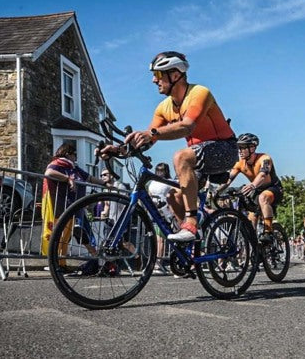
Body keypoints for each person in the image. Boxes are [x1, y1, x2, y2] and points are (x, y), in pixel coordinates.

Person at [100, 51, 238, 242]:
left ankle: (191, 224)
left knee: (181, 156)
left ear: (175, 75)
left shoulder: (199, 93)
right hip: (197, 158)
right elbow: (149, 138)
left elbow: (187, 126)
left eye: (157, 75)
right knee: (173, 196)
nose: (153, 81)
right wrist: (119, 150)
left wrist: (152, 134)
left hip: (225, 149)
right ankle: (192, 241)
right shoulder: (163, 107)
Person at [41, 143, 105, 268]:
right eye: (75, 154)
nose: (76, 157)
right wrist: (67, 179)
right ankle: (54, 262)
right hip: (61, 207)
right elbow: (49, 172)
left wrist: (105, 183)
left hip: (74, 207)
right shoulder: (58, 163)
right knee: (58, 234)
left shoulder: (74, 168)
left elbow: (89, 178)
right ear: (68, 154)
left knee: (68, 236)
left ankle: (62, 263)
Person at [217, 133, 283, 242]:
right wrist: (216, 191)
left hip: (274, 188)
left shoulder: (265, 158)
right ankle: (253, 244)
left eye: (243, 148)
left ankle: (268, 232)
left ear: (252, 148)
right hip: (257, 190)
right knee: (251, 216)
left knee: (263, 198)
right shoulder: (240, 163)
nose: (240, 151)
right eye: (239, 148)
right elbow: (228, 180)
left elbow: (263, 174)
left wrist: (252, 185)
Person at [148, 162, 175, 275]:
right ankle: (157, 261)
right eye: (158, 170)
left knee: (161, 239)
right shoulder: (152, 182)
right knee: (156, 238)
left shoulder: (169, 182)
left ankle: (159, 262)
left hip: (166, 212)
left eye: (162, 170)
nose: (160, 172)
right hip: (154, 211)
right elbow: (149, 194)